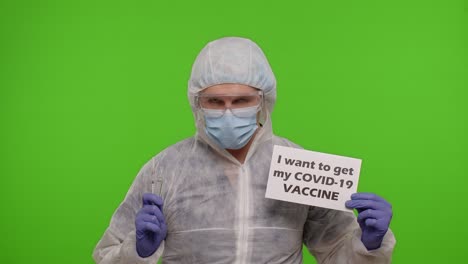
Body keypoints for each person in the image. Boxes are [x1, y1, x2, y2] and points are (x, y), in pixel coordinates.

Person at [93, 37, 396, 263]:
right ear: (197, 104)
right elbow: (106, 254)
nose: (227, 112)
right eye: (215, 102)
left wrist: (368, 243)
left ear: (264, 101)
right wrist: (137, 250)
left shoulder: (299, 167)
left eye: (240, 101)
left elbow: (335, 252)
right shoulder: (164, 171)